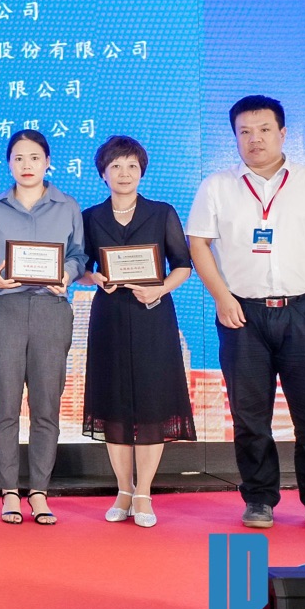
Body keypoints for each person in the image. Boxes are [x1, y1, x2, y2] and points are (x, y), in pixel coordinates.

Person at [187, 96, 305, 534]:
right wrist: (222, 297)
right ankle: (259, 498)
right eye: (244, 132)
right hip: (241, 314)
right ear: (235, 137)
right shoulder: (217, 186)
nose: (255, 139)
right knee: (249, 417)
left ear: (282, 133)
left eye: (264, 129)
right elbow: (198, 244)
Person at [78, 136, 195, 528]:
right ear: (103, 173)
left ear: (142, 170)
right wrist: (93, 277)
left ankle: (143, 492)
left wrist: (160, 288)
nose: (124, 174)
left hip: (152, 315)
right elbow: (81, 266)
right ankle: (122, 491)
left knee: (151, 402)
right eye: (115, 166)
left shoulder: (161, 213)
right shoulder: (91, 216)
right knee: (112, 402)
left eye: (131, 166)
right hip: (109, 315)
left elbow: (183, 264)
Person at [0, 130, 87, 525]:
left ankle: (39, 490)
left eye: (35, 157)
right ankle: (8, 491)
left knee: (46, 405)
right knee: (4, 404)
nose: (27, 165)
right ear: (8, 163)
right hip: (4, 309)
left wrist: (68, 274)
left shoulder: (67, 206)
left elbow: (79, 256)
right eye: (19, 158)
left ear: (47, 162)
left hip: (50, 310)